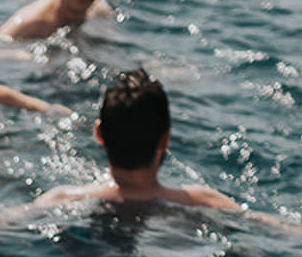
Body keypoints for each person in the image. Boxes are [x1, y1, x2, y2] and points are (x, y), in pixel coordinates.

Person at [31, 69, 242, 212]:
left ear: (99, 134)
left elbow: (3, 223)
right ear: (165, 139)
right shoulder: (207, 202)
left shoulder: (61, 200)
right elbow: (271, 229)